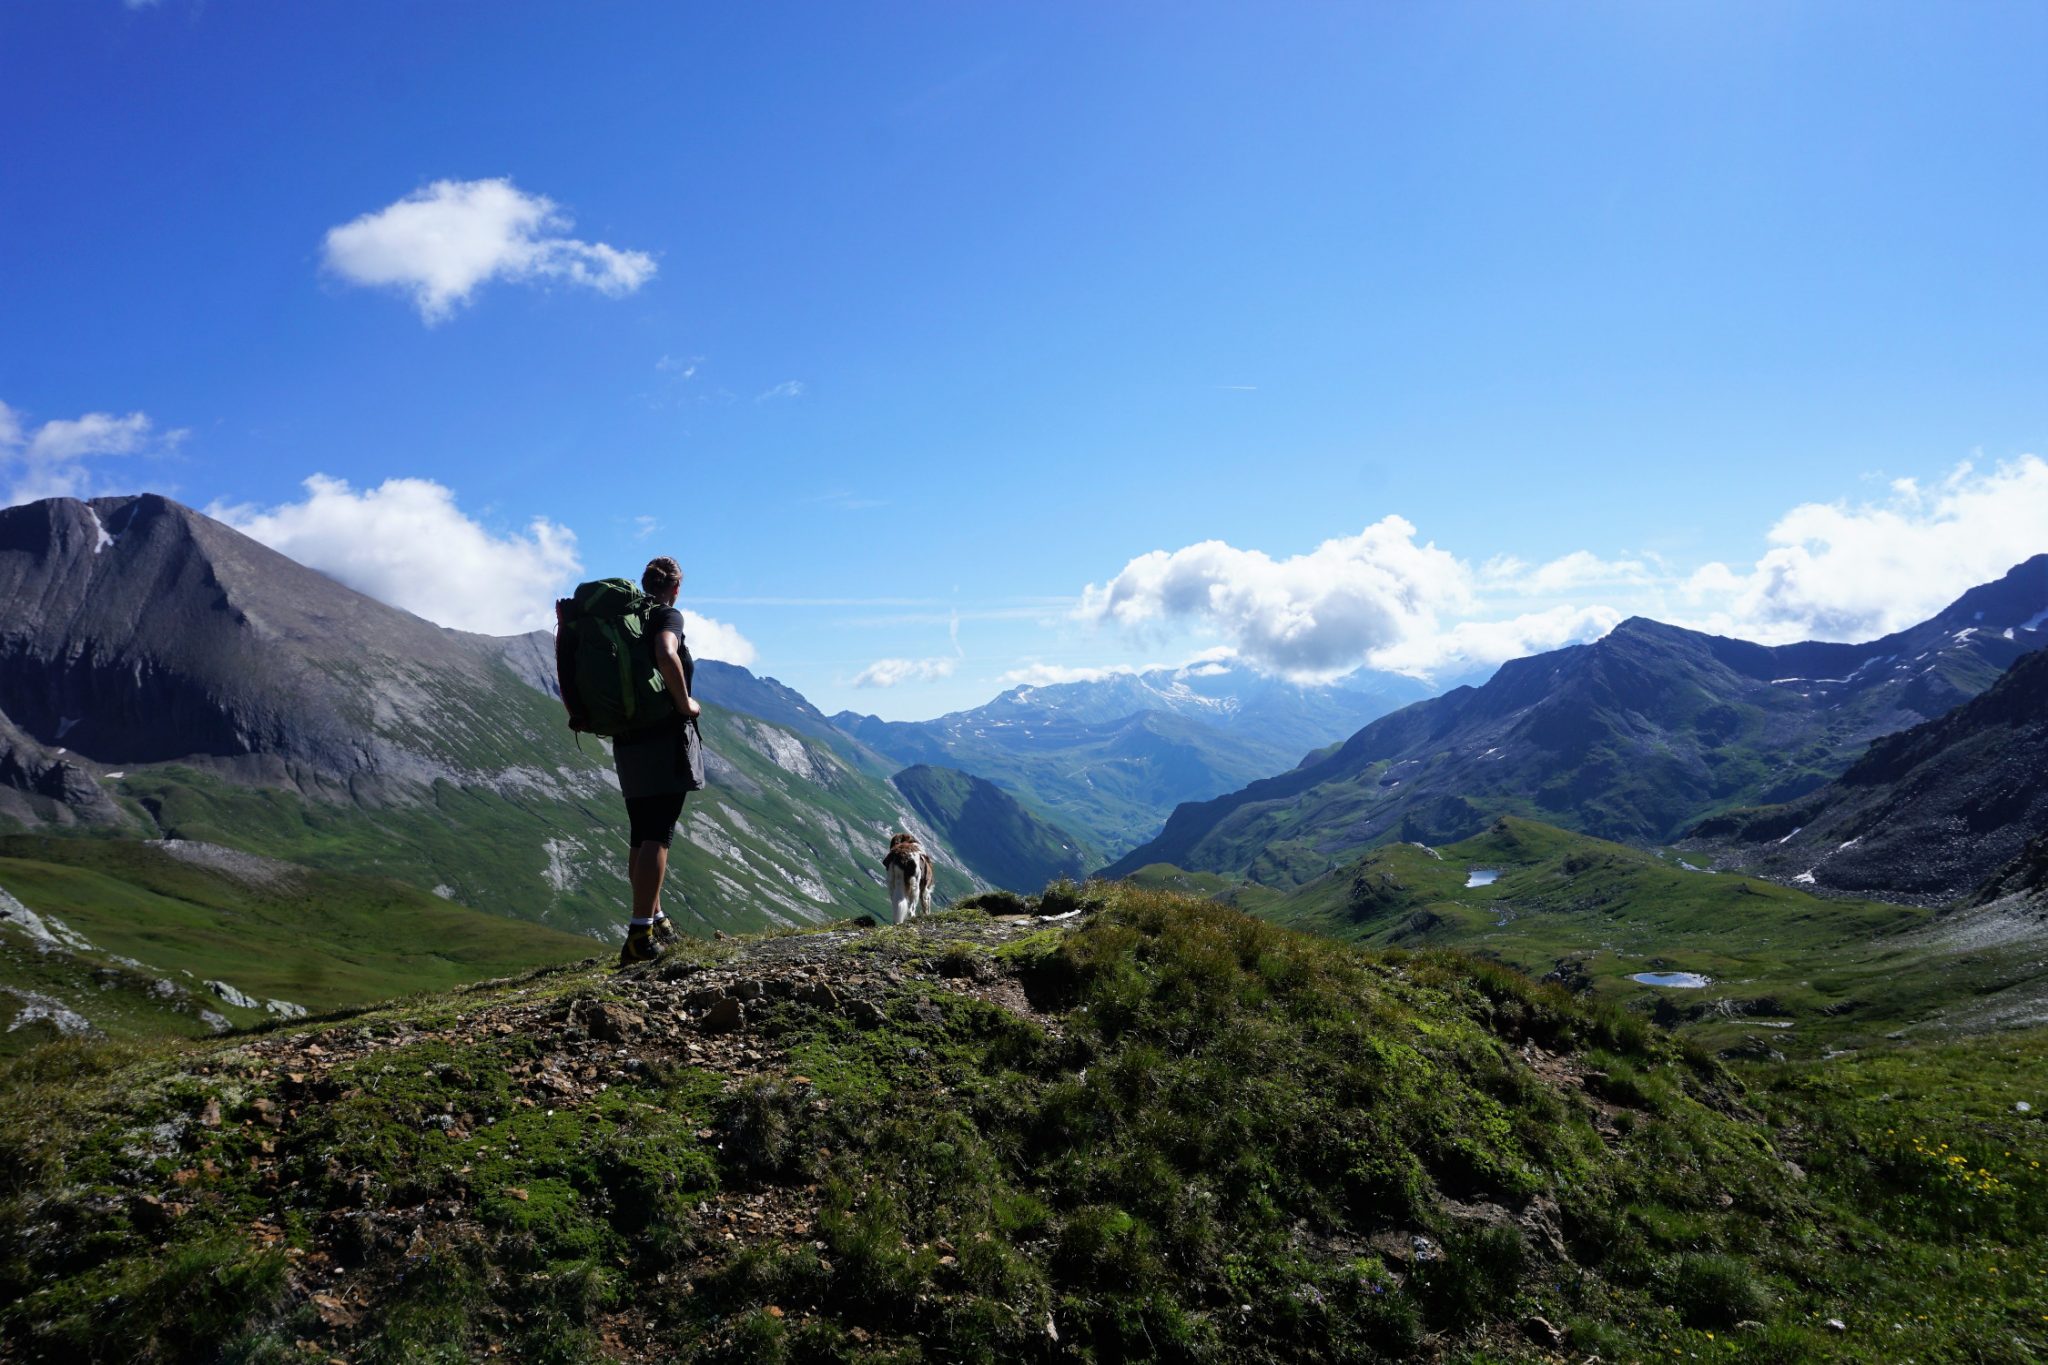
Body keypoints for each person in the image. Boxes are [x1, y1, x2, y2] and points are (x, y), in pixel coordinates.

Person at [615, 556, 706, 965]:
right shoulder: (668, 616)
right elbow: (666, 652)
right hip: (662, 740)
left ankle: (655, 917)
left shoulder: (626, 620)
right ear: (675, 587)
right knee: (658, 835)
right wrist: (685, 702)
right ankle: (639, 933)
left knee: (640, 833)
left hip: (627, 739)